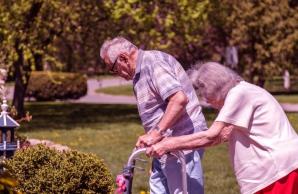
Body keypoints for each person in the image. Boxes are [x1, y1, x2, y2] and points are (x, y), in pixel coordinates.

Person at [147, 62, 298, 194]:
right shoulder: (244, 92)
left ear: (213, 87)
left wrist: (168, 144)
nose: (206, 101)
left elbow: (211, 135)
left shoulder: (239, 94)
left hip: (278, 170)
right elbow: (220, 137)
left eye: (205, 94)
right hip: (274, 171)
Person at [100, 37, 207, 194]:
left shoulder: (153, 62)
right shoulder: (139, 73)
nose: (116, 74)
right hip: (163, 146)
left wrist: (156, 133)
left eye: (113, 68)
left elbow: (178, 99)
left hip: (182, 142)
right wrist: (153, 140)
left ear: (123, 58)